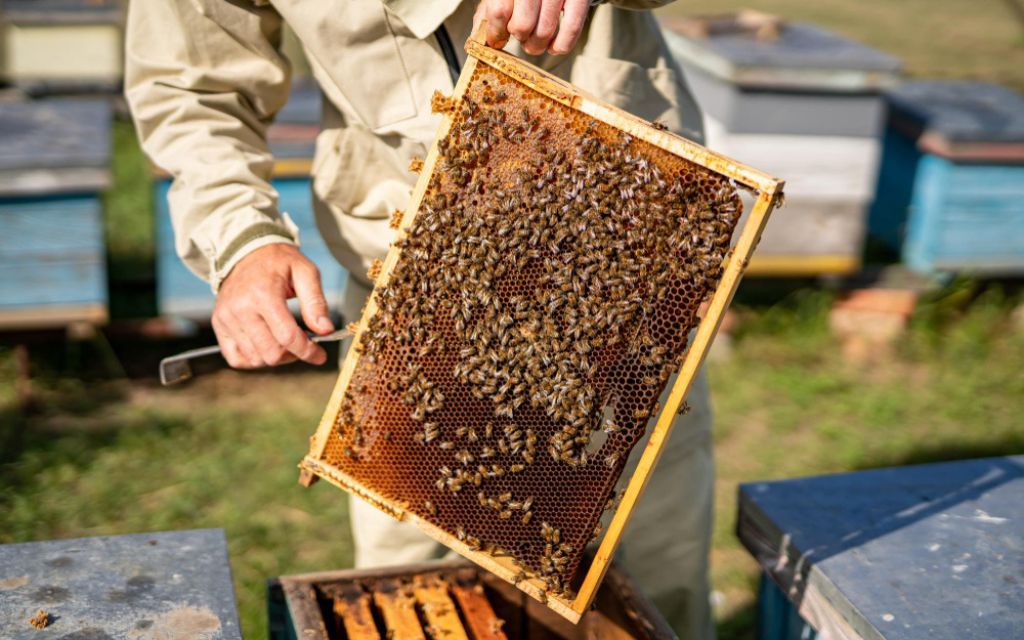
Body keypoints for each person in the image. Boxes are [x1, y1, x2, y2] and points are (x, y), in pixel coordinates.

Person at [126, 1, 714, 636]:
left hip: (626, 263)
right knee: (409, 578)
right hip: (413, 289)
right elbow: (191, 83)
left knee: (656, 572)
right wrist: (238, 238)